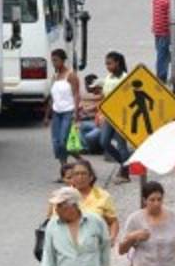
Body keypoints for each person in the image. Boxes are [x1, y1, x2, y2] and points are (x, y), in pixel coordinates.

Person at [51, 158, 119, 244]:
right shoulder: (62, 196)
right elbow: (54, 223)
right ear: (72, 178)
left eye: (84, 174)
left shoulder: (102, 196)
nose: (80, 177)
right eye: (77, 174)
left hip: (95, 247)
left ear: (91, 177)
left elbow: (113, 221)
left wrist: (112, 238)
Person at [42, 48, 80, 181]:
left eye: (56, 60)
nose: (54, 63)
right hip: (56, 113)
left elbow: (76, 94)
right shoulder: (55, 77)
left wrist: (76, 112)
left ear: (63, 60)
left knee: (64, 141)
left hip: (68, 112)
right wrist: (47, 116)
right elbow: (52, 98)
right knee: (56, 143)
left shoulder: (71, 75)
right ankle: (65, 172)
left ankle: (81, 161)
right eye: (52, 60)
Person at [99, 51, 133, 181]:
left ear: (117, 63)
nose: (107, 66)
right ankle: (124, 164)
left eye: (109, 63)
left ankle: (125, 172)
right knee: (104, 142)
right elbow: (104, 96)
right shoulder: (109, 77)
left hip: (120, 116)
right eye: (106, 64)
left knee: (121, 145)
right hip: (108, 115)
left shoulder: (125, 78)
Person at [76, 74, 104, 152]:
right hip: (91, 122)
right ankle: (87, 148)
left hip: (100, 125)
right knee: (81, 127)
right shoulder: (85, 96)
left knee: (89, 137)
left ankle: (94, 149)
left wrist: (87, 109)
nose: (86, 87)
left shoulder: (104, 98)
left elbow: (95, 107)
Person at [151, 0, 171, 83]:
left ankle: (162, 73)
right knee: (163, 54)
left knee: (160, 52)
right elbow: (170, 16)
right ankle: (161, 76)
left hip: (157, 30)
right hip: (165, 31)